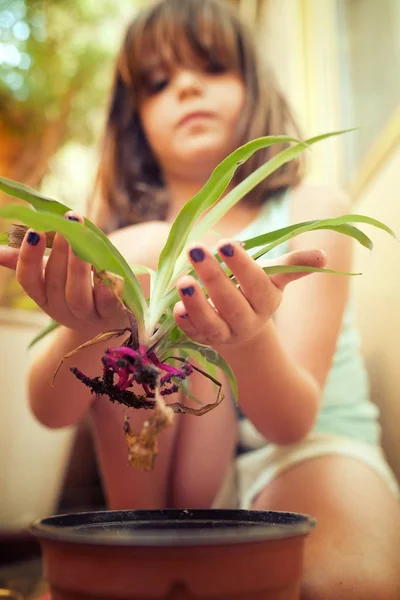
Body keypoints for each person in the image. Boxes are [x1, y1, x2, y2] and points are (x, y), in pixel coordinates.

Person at [1, 0, 400, 598]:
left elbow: (291, 422)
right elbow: (50, 411)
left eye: (211, 68)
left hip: (305, 448)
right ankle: (143, 549)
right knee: (144, 256)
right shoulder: (123, 238)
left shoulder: (309, 208)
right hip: (168, 479)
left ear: (254, 85)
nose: (187, 87)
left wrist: (249, 336)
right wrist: (83, 327)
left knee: (349, 584)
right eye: (160, 82)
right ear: (134, 118)